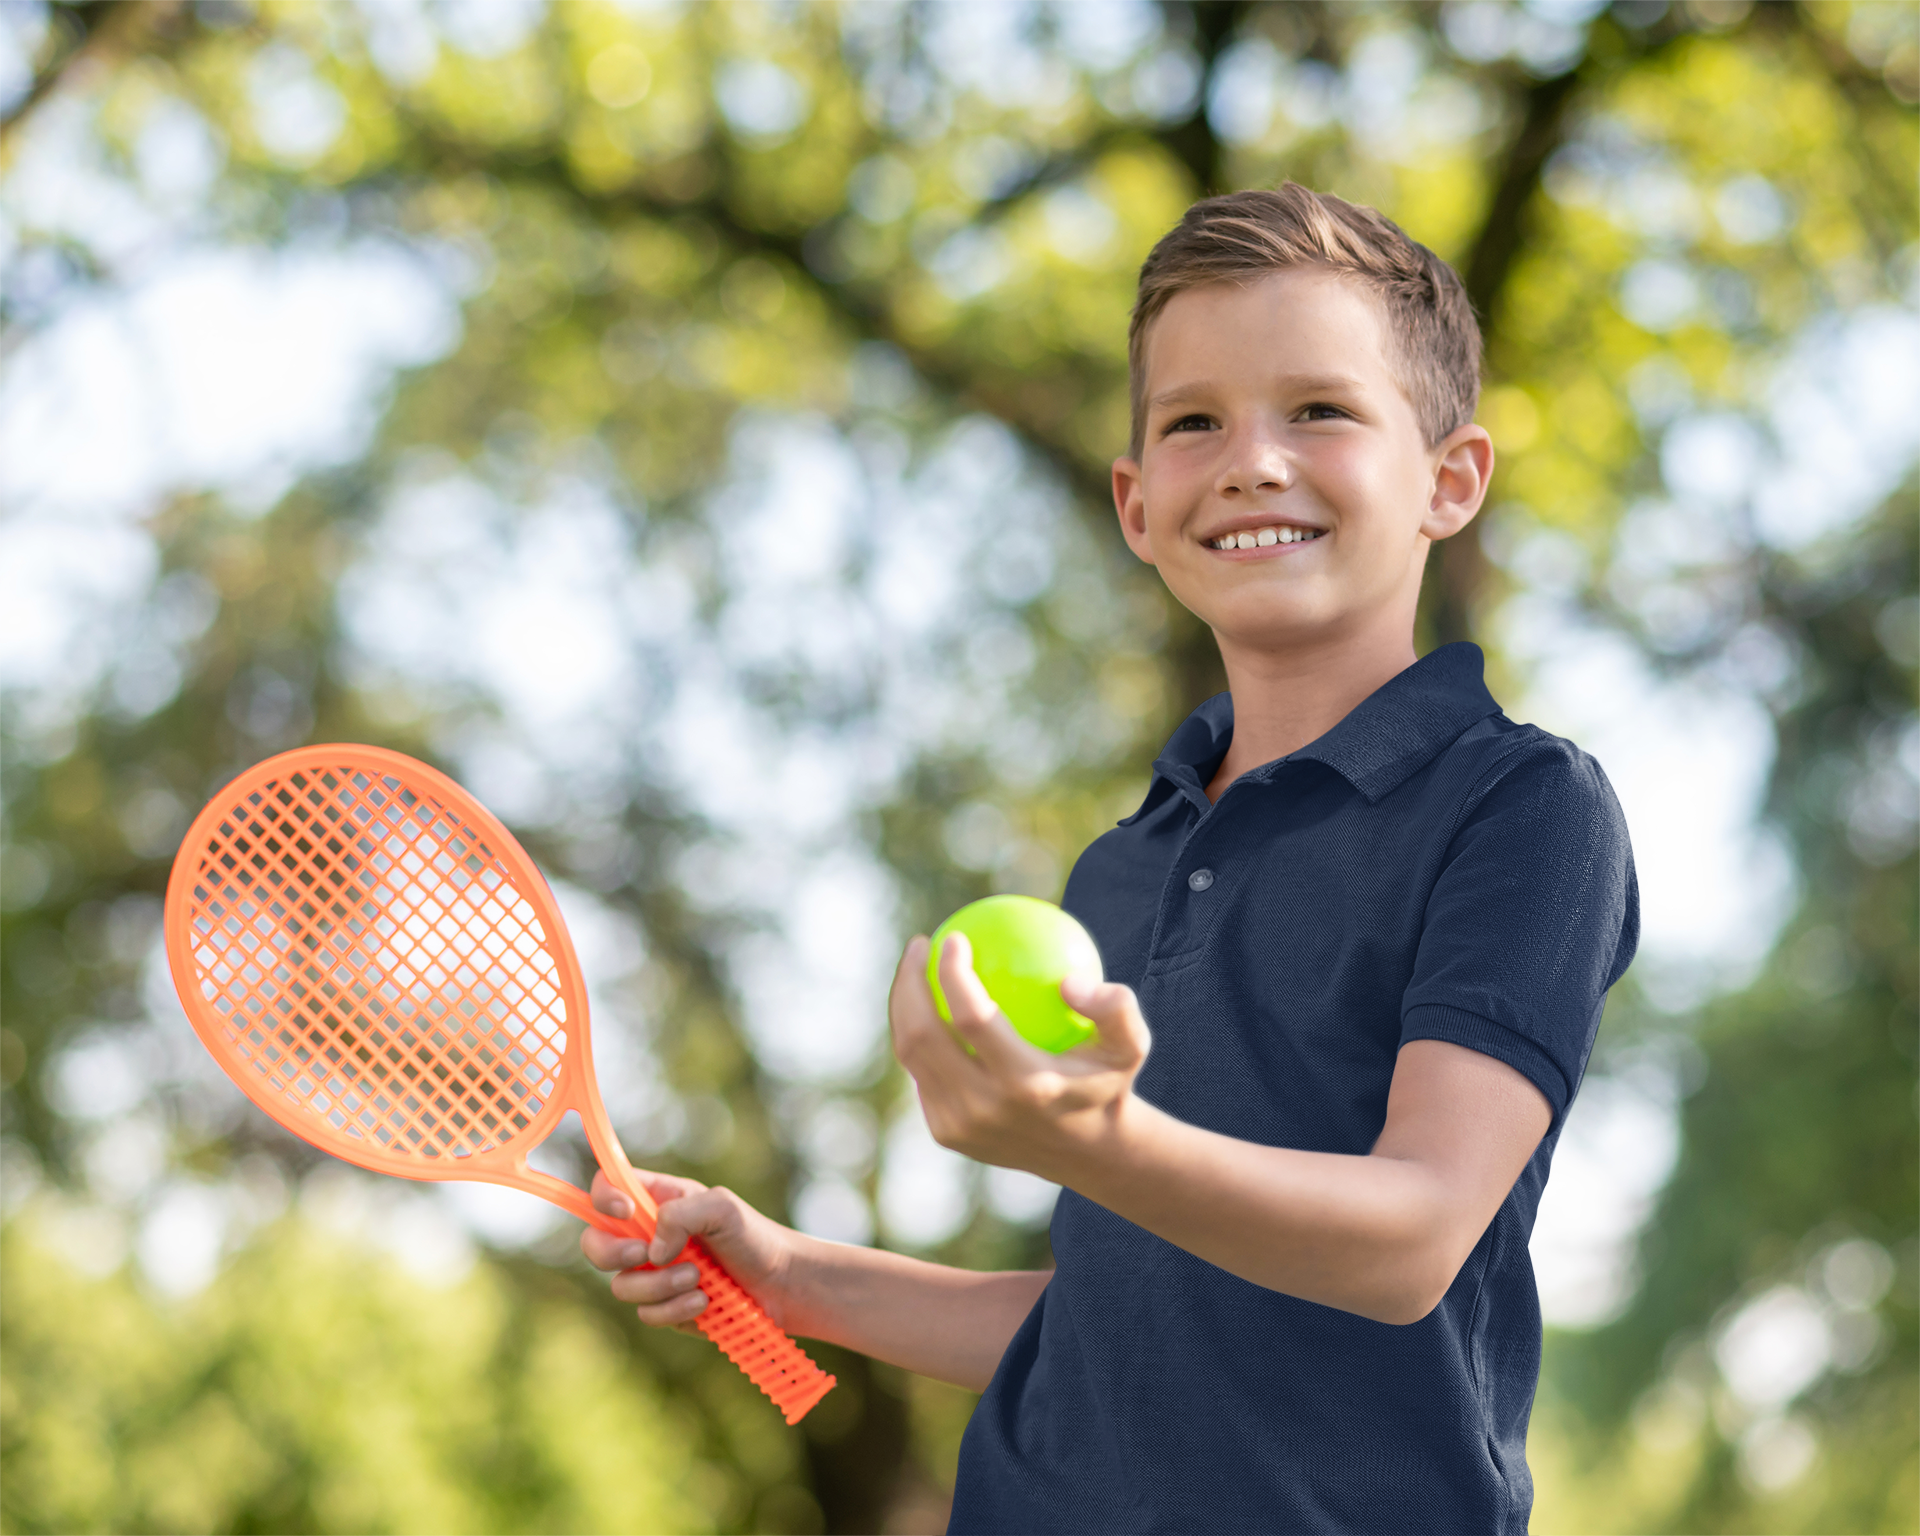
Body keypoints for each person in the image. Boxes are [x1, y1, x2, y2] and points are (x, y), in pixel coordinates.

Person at [582, 183, 1638, 1534]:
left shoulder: (1525, 809)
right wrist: (789, 1277)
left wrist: (1102, 1139)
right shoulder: (1122, 869)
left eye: (1320, 408)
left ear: (1450, 479)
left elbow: (1412, 1240)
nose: (1251, 459)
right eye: (1194, 421)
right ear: (1138, 505)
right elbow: (1123, 1313)